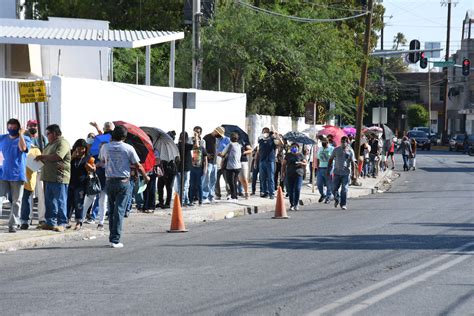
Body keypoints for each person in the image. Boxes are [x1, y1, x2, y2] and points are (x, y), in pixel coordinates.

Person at [100, 125, 149, 248]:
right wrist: (146, 176)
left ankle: (112, 237)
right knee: (119, 211)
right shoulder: (128, 148)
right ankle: (115, 239)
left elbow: (102, 161)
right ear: (124, 137)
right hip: (123, 181)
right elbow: (137, 165)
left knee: (111, 210)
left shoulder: (105, 147)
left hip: (109, 180)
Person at [35, 124, 71, 232]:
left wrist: (43, 157)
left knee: (60, 201)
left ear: (55, 133)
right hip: (48, 177)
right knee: (49, 202)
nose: (47, 136)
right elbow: (45, 158)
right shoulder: (49, 144)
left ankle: (62, 223)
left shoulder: (62, 143)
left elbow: (58, 156)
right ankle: (50, 222)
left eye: (48, 134)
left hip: (59, 177)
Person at [0, 119, 31, 233]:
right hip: (2, 174)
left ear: (18, 128)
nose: (11, 129)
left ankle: (13, 224)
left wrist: (21, 134)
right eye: (10, 127)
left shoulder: (25, 138)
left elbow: (23, 148)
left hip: (17, 175)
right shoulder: (2, 138)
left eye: (14, 127)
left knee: (16, 201)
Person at [67, 139, 95, 230]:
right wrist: (72, 157)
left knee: (79, 203)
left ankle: (79, 221)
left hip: (81, 184)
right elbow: (64, 165)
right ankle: (67, 220)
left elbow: (94, 169)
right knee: (69, 203)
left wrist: (90, 167)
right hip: (70, 183)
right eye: (78, 148)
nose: (80, 151)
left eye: (83, 148)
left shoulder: (88, 157)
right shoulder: (71, 155)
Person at [328, 136, 357, 210]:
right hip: (337, 172)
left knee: (344, 189)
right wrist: (328, 170)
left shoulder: (350, 151)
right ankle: (337, 198)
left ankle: (343, 204)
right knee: (333, 188)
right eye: (342, 141)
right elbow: (330, 159)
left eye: (345, 141)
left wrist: (354, 174)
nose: (344, 143)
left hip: (346, 173)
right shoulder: (336, 149)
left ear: (348, 142)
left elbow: (353, 163)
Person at [19, 144, 42, 230]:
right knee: (14, 199)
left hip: (28, 180)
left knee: (25, 201)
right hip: (16, 178)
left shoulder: (35, 150)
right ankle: (18, 219)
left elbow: (39, 166)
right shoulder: (18, 146)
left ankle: (25, 221)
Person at [202, 126, 226, 203]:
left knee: (213, 180)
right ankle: (204, 197)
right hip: (208, 162)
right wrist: (207, 154)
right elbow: (202, 148)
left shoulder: (216, 139)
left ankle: (211, 196)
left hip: (214, 162)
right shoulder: (206, 137)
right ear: (215, 131)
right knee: (206, 180)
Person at [256, 127, 282, 199]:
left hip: (270, 161)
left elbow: (280, 143)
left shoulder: (272, 140)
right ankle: (265, 192)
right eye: (264, 131)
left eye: (267, 131)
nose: (265, 133)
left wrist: (276, 135)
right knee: (262, 178)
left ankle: (272, 193)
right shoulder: (260, 139)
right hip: (262, 161)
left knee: (270, 178)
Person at [282, 143, 307, 211]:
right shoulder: (288, 155)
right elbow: (284, 164)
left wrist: (301, 163)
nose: (294, 148)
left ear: (298, 148)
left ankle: (296, 204)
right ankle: (292, 204)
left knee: (297, 188)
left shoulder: (300, 155)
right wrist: (283, 172)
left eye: (295, 147)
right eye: (293, 147)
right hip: (290, 174)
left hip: (298, 174)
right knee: (290, 190)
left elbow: (305, 163)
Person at [220, 132, 242, 201]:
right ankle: (235, 196)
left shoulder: (230, 145)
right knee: (235, 182)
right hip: (238, 166)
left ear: (230, 138)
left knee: (231, 182)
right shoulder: (239, 145)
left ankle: (233, 197)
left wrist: (219, 154)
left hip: (230, 166)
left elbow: (222, 153)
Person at [189, 131, 208, 206]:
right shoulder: (192, 148)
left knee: (199, 185)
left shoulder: (202, 148)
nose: (195, 142)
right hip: (192, 168)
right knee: (192, 185)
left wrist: (205, 169)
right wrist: (195, 137)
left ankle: (200, 201)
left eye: (196, 140)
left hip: (199, 168)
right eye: (194, 140)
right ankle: (190, 200)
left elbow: (205, 159)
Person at [176, 132, 193, 206]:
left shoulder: (176, 146)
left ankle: (186, 200)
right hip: (185, 168)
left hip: (178, 168)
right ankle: (183, 201)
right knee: (185, 185)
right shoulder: (186, 145)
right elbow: (195, 146)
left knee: (180, 185)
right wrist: (195, 137)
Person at [316, 137, 334, 204]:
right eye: (322, 143)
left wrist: (330, 169)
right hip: (321, 168)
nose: (322, 144)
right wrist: (317, 167)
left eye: (324, 143)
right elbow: (318, 158)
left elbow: (333, 159)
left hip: (328, 168)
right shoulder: (320, 148)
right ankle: (323, 194)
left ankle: (328, 197)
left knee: (329, 184)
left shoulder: (331, 149)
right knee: (319, 184)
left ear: (327, 142)